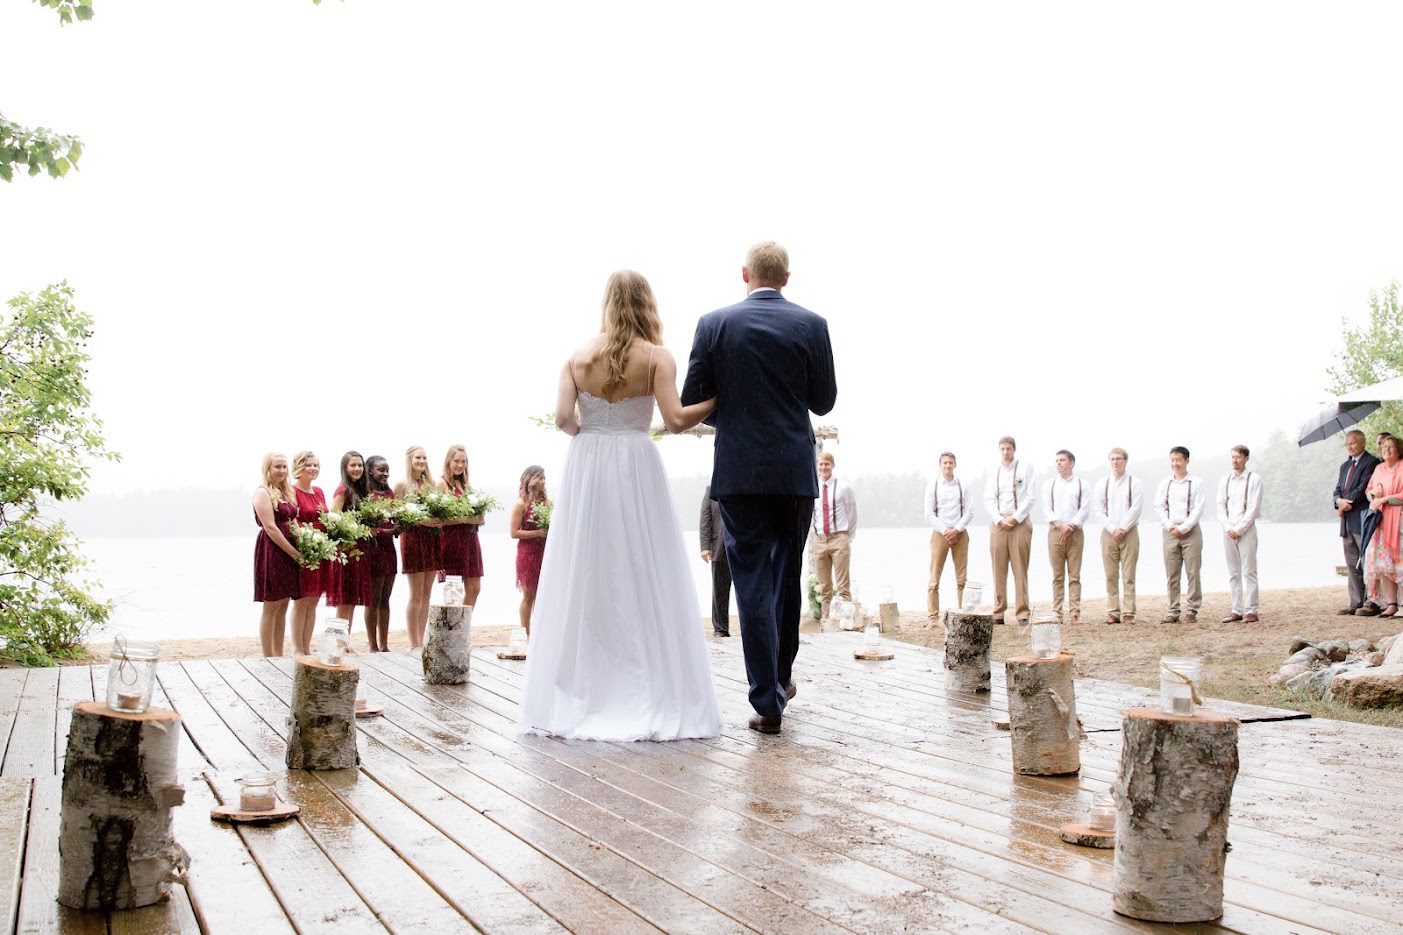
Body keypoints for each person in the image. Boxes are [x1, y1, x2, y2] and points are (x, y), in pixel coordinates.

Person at [519, 269, 721, 741]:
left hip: (588, 464)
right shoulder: (656, 358)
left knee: (586, 570)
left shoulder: (576, 356)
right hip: (635, 460)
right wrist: (714, 400)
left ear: (607, 303)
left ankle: (584, 687)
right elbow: (674, 420)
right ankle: (647, 683)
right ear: (646, 304)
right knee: (644, 565)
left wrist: (591, 434)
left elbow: (563, 419)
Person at [682, 242, 838, 734]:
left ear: (744, 273)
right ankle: (781, 678)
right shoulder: (811, 325)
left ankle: (766, 699)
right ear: (786, 279)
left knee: (750, 583)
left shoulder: (714, 324)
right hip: (793, 472)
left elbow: (695, 399)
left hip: (740, 473)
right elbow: (824, 402)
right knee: (786, 576)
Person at [983, 436, 1036, 625]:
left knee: (1020, 567)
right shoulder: (993, 470)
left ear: (1014, 449)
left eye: (1008, 449)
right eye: (1002, 449)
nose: (1006, 452)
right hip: (999, 522)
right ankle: (999, 611)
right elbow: (988, 499)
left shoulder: (1025, 468)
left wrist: (1015, 518)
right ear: (1000, 450)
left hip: (1019, 520)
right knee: (998, 568)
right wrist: (999, 519)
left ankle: (1022, 612)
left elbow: (1030, 497)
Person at [394, 445, 443, 650]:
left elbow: (443, 511)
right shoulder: (402, 485)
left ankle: (422, 639)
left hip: (432, 539)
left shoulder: (433, 484)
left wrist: (438, 521)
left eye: (424, 457)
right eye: (417, 458)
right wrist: (422, 521)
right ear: (409, 460)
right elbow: (396, 515)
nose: (421, 461)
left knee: (426, 593)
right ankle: (413, 641)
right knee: (415, 593)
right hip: (412, 538)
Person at [253, 452, 302, 656]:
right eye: (277, 467)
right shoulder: (262, 492)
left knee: (283, 604)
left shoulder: (286, 492)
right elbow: (271, 528)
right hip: (273, 550)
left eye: (284, 467)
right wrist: (292, 552)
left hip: (290, 551)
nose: (282, 471)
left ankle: (278, 653)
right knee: (271, 604)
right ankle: (268, 655)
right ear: (268, 469)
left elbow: (294, 522)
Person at [1154, 446, 1206, 624]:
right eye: (1172, 460)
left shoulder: (1196, 483)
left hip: (1190, 530)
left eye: (1178, 460)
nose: (1175, 464)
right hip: (1169, 531)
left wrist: (1184, 527)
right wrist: (1170, 526)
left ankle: (1192, 609)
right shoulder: (1165, 483)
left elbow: (1198, 508)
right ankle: (1173, 609)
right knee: (1172, 572)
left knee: (1193, 571)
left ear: (1186, 461)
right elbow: (1159, 507)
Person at [324, 451, 372, 638]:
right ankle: (337, 640)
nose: (357, 469)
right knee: (344, 601)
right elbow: (333, 521)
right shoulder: (343, 490)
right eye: (353, 465)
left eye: (360, 465)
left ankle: (345, 640)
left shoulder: (359, 491)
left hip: (358, 551)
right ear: (345, 468)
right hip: (345, 552)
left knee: (351, 600)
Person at [1093, 448, 1142, 624]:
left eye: (1119, 459)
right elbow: (1098, 510)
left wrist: (1123, 527)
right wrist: (1113, 528)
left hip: (1129, 532)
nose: (1115, 462)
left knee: (1129, 574)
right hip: (1108, 533)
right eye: (1112, 459)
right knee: (1110, 574)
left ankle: (1129, 612)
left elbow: (1136, 508)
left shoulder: (1134, 483)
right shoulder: (1102, 484)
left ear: (1125, 461)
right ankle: (1113, 611)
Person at [1334, 429, 1380, 615]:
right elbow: (1337, 489)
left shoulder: (1372, 462)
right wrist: (1338, 502)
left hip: (1362, 516)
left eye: (1353, 443)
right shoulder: (1344, 466)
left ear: (1362, 443)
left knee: (1368, 561)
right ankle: (1355, 601)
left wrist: (1346, 503)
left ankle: (1372, 600)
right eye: (1347, 444)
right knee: (1351, 562)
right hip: (1346, 520)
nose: (1350, 446)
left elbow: (1363, 488)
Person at [923, 451, 973, 620]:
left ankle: (964, 613)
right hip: (940, 533)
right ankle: (933, 616)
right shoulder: (933, 485)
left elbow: (969, 512)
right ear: (940, 465)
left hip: (960, 533)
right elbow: (929, 513)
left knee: (961, 579)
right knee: (934, 578)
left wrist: (956, 529)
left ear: (955, 465)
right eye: (945, 463)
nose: (948, 466)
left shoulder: (963, 485)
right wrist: (945, 530)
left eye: (950, 463)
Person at [1218, 445, 1264, 623]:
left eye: (1238, 457)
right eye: (1232, 457)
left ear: (1246, 458)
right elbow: (1220, 506)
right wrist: (1228, 527)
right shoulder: (1225, 480)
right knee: (1233, 571)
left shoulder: (1254, 479)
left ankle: (1251, 610)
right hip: (1228, 530)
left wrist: (1239, 529)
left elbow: (1253, 508)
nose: (1234, 461)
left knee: (1249, 570)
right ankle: (1236, 609)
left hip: (1246, 529)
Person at [1042, 449, 1090, 625]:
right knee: (1057, 575)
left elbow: (1085, 508)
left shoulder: (1081, 484)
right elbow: (1046, 508)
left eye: (1062, 460)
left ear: (1071, 462)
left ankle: (1075, 612)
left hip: (1075, 532)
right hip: (1055, 531)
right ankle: (1057, 612)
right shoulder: (1049, 485)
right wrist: (1059, 524)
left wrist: (1071, 525)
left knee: (1074, 575)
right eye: (1057, 460)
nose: (1059, 463)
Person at [437, 444, 485, 607]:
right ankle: (453, 629)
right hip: (452, 540)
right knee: (454, 590)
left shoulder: (466, 484)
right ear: (448, 461)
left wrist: (479, 517)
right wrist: (465, 519)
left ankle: (462, 627)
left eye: (463, 462)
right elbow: (439, 519)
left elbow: (473, 512)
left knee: (474, 588)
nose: (460, 465)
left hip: (470, 539)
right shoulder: (442, 484)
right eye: (456, 461)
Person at [811, 451, 857, 620]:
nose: (824, 468)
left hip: (839, 538)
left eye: (827, 464)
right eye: (821, 464)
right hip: (820, 539)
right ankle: (826, 620)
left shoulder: (843, 487)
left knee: (843, 585)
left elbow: (852, 514)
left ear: (833, 466)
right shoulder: (813, 486)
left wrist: (847, 537)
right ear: (817, 466)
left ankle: (847, 621)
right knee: (824, 586)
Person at [290, 450, 328, 655]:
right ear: (299, 467)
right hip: (304, 549)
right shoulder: (292, 491)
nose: (313, 468)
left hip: (321, 549)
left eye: (316, 465)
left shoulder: (319, 491)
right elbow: (293, 522)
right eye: (309, 465)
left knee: (314, 601)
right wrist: (306, 539)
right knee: (302, 600)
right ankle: (297, 648)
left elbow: (325, 517)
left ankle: (307, 646)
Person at [1363, 435, 1403, 618]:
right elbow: (1369, 491)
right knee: (1384, 563)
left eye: (1391, 446)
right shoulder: (1379, 468)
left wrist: (1387, 498)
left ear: (1399, 449)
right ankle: (1391, 603)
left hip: (1399, 518)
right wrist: (1374, 493)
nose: (1386, 449)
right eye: (1384, 446)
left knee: (1400, 561)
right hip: (1381, 521)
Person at [510, 465, 549, 636]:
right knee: (528, 595)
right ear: (529, 479)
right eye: (539, 477)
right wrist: (538, 533)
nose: (542, 481)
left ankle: (541, 634)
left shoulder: (548, 503)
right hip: (527, 554)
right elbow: (514, 532)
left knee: (543, 597)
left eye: (544, 478)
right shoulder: (521, 504)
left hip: (545, 553)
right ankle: (526, 634)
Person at [363, 455, 396, 652]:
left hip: (388, 548)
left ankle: (384, 644)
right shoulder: (366, 493)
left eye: (387, 470)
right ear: (370, 471)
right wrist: (388, 531)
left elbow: (393, 517)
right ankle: (372, 645)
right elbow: (366, 524)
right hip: (373, 547)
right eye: (380, 470)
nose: (385, 473)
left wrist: (399, 526)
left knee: (386, 598)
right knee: (373, 599)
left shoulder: (389, 492)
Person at [700, 484, 732, 637]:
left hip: (742, 546)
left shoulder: (743, 486)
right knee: (719, 590)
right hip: (718, 546)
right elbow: (705, 518)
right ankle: (720, 629)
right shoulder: (711, 489)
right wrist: (704, 546)